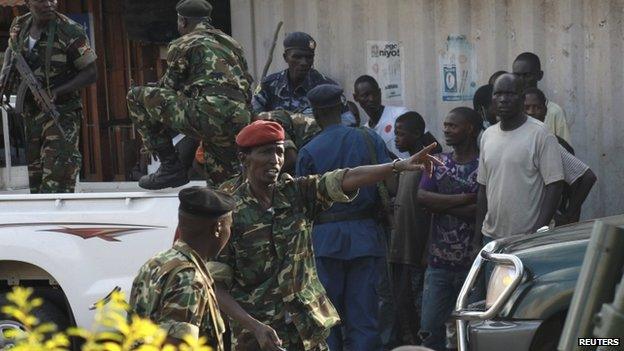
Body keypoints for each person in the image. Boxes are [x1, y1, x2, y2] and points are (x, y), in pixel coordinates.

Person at [209, 119, 441, 351]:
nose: (275, 160)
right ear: (243, 159)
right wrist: (255, 326)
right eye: (265, 153)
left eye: (279, 152)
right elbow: (216, 286)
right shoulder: (228, 211)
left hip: (307, 329)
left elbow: (345, 177)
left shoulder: (295, 193)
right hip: (259, 336)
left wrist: (397, 166)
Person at [296, 84, 388, 351]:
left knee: (326, 319)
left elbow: (305, 201)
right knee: (365, 317)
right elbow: (388, 183)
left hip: (325, 240)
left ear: (314, 112)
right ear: (343, 107)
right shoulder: (370, 139)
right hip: (365, 235)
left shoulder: (309, 150)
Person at [127, 0, 252, 189]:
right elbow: (246, 84)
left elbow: (169, 87)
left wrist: (155, 132)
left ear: (183, 21)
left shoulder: (183, 43)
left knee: (136, 97)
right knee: (224, 182)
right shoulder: (232, 44)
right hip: (239, 119)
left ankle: (170, 168)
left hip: (207, 113)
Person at [1, 0, 97, 193]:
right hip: (31, 114)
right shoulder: (20, 24)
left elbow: (91, 72)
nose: (50, 4)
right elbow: (12, 50)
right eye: (42, 0)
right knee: (36, 183)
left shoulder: (69, 30)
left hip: (61, 112)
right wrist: (4, 79)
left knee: (57, 180)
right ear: (28, 3)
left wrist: (56, 92)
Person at [129, 186, 236, 350]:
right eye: (230, 226)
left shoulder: (155, 263)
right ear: (218, 228)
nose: (230, 232)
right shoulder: (190, 280)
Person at [417, 107, 482, 351]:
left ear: (470, 129)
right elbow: (422, 197)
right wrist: (465, 199)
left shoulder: (483, 163)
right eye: (445, 124)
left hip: (473, 265)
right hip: (438, 264)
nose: (446, 129)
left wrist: (441, 205)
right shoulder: (438, 161)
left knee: (471, 333)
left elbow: (481, 210)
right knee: (430, 330)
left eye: (453, 125)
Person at [476, 73, 564, 242]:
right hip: (491, 237)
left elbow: (555, 186)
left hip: (527, 238)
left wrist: (537, 232)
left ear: (522, 98)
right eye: (498, 94)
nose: (503, 99)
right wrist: (476, 239)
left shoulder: (540, 134)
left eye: (510, 94)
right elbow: (482, 189)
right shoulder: (488, 135)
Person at [523, 87, 597, 225]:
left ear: (545, 112)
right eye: (526, 108)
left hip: (540, 225)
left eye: (536, 108)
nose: (531, 113)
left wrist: (569, 214)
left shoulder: (547, 141)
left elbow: (588, 177)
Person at [252, 31, 356, 126]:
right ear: (285, 57)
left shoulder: (327, 88)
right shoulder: (269, 85)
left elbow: (348, 124)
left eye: (309, 57)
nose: (304, 62)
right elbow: (253, 119)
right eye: (297, 57)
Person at [388, 111, 430, 345]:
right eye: (395, 133)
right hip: (401, 248)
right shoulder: (406, 163)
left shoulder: (426, 163)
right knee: (403, 302)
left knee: (417, 302)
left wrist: (426, 249)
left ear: (417, 134)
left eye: (401, 134)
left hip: (416, 248)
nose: (396, 139)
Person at [353, 75, 441, 158]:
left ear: (380, 92)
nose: (371, 99)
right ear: (355, 98)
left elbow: (435, 148)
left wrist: (419, 169)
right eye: (365, 95)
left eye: (375, 93)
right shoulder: (365, 132)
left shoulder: (400, 115)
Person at [512, 52, 571, 143]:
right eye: (517, 75)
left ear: (540, 75)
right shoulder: (509, 109)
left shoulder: (554, 112)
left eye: (527, 75)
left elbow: (566, 150)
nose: (521, 80)